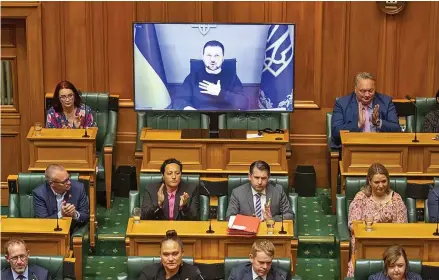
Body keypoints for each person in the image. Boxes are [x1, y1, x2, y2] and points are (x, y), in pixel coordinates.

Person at [347, 163, 408, 277]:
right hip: (366, 243)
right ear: (369, 181)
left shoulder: (396, 199)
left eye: (384, 181)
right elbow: (353, 225)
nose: (381, 185)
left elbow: (403, 225)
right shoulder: (361, 198)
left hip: (392, 244)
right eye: (377, 182)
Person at [172, 40, 249, 110]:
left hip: (224, 121)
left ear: (223, 58)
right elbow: (178, 100)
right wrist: (192, 112)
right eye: (209, 55)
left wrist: (221, 93)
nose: (212, 60)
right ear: (203, 58)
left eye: (217, 56)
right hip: (199, 120)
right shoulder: (193, 77)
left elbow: (244, 103)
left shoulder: (231, 77)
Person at [331, 72, 400, 148]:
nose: (367, 95)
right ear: (355, 89)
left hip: (380, 148)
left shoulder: (386, 102)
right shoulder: (342, 104)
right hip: (353, 149)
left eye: (370, 91)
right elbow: (335, 132)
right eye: (363, 91)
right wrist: (358, 124)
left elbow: (396, 129)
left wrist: (378, 122)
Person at [226, 160, 294, 222]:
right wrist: (248, 220)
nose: (260, 182)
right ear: (249, 176)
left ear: (268, 177)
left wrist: (271, 219)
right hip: (247, 233)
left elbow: (289, 215)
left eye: (263, 178)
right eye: (256, 177)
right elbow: (229, 217)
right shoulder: (238, 193)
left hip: (269, 232)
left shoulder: (278, 191)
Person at [33, 164, 89, 231]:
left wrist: (74, 214)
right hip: (49, 232)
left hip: (72, 231)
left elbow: (85, 216)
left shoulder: (79, 188)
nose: (69, 182)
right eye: (64, 182)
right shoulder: (40, 194)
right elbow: (43, 222)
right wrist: (61, 214)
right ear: (52, 184)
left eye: (69, 178)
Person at [138, 230, 202, 280]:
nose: (170, 259)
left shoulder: (193, 273)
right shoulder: (149, 272)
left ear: (182, 253)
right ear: (160, 255)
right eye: (166, 254)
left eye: (175, 254)